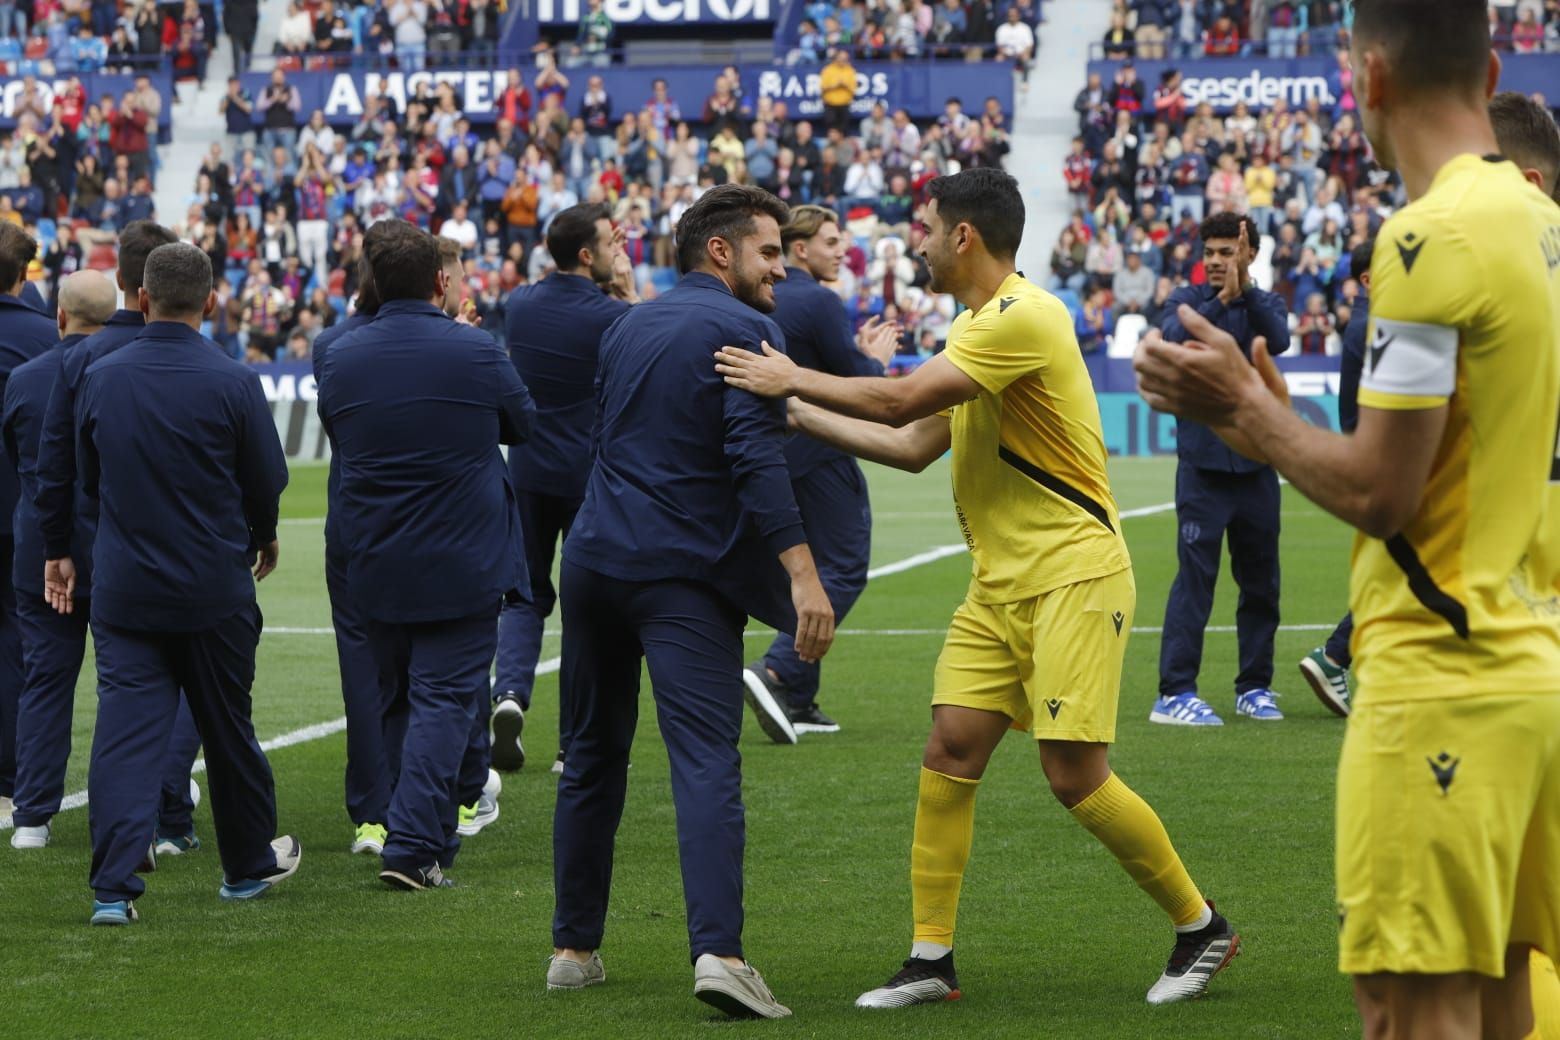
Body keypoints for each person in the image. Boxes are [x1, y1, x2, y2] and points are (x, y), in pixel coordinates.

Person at [1133, 1, 1559, 1034]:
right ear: (1491, 63)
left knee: (1408, 1011)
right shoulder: (1539, 219)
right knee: (1509, 999)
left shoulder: (1426, 238)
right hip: (1529, 668)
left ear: (1367, 80)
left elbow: (1379, 490)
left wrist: (1242, 407)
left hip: (1437, 683)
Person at [715, 167, 1237, 1010]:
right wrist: (798, 415)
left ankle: (1199, 925)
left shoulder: (1022, 316)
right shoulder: (976, 326)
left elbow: (896, 401)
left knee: (1074, 775)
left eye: (924, 228)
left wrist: (792, 379)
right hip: (1000, 584)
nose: (915, 243)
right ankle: (930, 960)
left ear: (963, 236)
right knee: (949, 750)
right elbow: (916, 442)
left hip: (1073, 574)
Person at [547, 184, 834, 1019]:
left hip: (595, 560)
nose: (781, 269)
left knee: (591, 758)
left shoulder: (626, 323)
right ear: (722, 251)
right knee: (705, 762)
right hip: (680, 573)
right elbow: (753, 460)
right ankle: (721, 955)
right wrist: (803, 574)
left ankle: (573, 949)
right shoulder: (747, 330)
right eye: (771, 251)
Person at [59, 242, 296, 926]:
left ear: (141, 299)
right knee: (228, 731)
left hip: (128, 588)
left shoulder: (100, 377)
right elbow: (266, 481)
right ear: (212, 303)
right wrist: (262, 534)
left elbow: (88, 479)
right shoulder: (233, 381)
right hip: (213, 587)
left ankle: (112, 888)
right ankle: (247, 866)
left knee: (126, 734)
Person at [317, 221, 533, 892]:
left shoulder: (339, 355)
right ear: (442, 282)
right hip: (461, 553)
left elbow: (344, 431)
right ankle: (411, 846)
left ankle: (428, 836)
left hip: (374, 552)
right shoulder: (474, 349)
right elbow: (522, 425)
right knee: (442, 697)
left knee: (398, 694)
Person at [31, 221, 205, 855]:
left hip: (107, 554)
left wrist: (58, 549)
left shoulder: (79, 359)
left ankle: (119, 850)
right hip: (186, 557)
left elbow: (58, 467)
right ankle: (173, 815)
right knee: (197, 686)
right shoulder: (213, 363)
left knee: (124, 696)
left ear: (129, 286)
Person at [740, 204, 898, 743]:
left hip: (761, 455)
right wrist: (874, 359)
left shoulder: (751, 296)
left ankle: (798, 696)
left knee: (797, 569)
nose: (841, 251)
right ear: (799, 248)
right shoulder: (821, 301)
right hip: (822, 453)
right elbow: (861, 385)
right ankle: (779, 668)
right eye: (832, 242)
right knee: (845, 565)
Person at [492, 203, 633, 774]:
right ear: (586, 254)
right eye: (611, 241)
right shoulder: (610, 315)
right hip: (588, 476)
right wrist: (625, 288)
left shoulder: (520, 304)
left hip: (526, 470)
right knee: (586, 610)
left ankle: (508, 694)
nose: (618, 249)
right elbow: (657, 345)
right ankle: (572, 742)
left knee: (523, 595)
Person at [1148, 212, 1291, 727]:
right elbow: (1174, 334)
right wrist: (1223, 301)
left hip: (1255, 469)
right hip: (1203, 472)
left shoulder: (1265, 302)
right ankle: (1174, 693)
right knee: (1195, 582)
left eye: (1226, 251)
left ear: (1248, 254)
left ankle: (1254, 687)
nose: (1215, 260)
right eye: (1209, 251)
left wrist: (1245, 291)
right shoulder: (1185, 301)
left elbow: (1279, 339)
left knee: (1261, 584)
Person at [2, 271, 113, 848]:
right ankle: (148, 809)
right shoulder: (122, 371)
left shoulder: (23, 379)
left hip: (42, 553)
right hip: (113, 552)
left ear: (60, 319)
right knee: (129, 684)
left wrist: (51, 547)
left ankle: (32, 817)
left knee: (44, 680)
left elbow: (29, 469)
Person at [0, 223, 56, 819]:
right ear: (23, 277)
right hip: (24, 511)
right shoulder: (46, 339)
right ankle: (14, 782)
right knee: (21, 644)